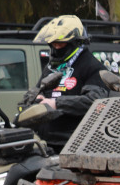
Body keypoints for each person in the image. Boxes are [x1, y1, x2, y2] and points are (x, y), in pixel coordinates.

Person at [29, 15, 111, 147]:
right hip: (45, 142)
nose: (56, 47)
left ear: (75, 42)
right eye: (53, 43)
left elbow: (94, 102)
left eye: (60, 43)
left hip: (74, 144)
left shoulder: (93, 67)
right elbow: (37, 91)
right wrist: (36, 98)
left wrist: (57, 103)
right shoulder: (52, 66)